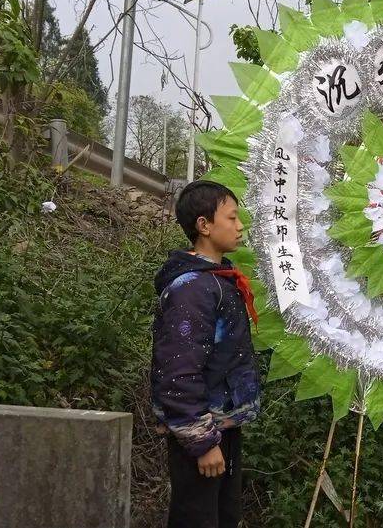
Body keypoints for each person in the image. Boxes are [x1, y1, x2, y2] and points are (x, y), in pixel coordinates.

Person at [151, 181, 261, 528]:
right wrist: (201, 442)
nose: (239, 225)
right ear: (204, 225)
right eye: (231, 217)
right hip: (202, 429)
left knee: (223, 518)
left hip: (220, 424)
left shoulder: (215, 279)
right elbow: (178, 372)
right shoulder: (193, 289)